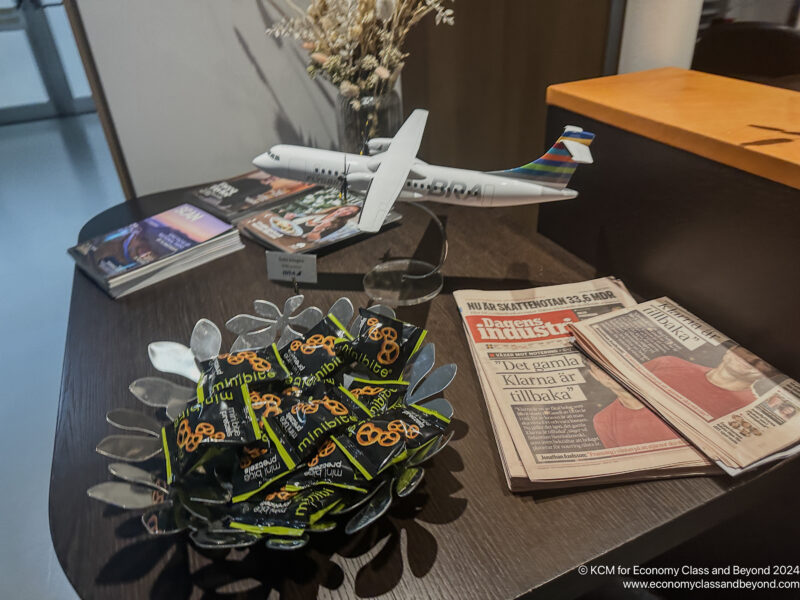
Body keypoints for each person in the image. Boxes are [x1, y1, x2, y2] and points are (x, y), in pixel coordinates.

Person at [643, 346, 771, 420]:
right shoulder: (669, 362)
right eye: (748, 351)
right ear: (729, 349)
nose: (749, 360)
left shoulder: (750, 410)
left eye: (764, 362)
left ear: (771, 375)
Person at [589, 361, 678, 449]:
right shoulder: (603, 420)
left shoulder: (671, 389)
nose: (610, 371)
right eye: (598, 367)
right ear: (594, 375)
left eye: (612, 362)